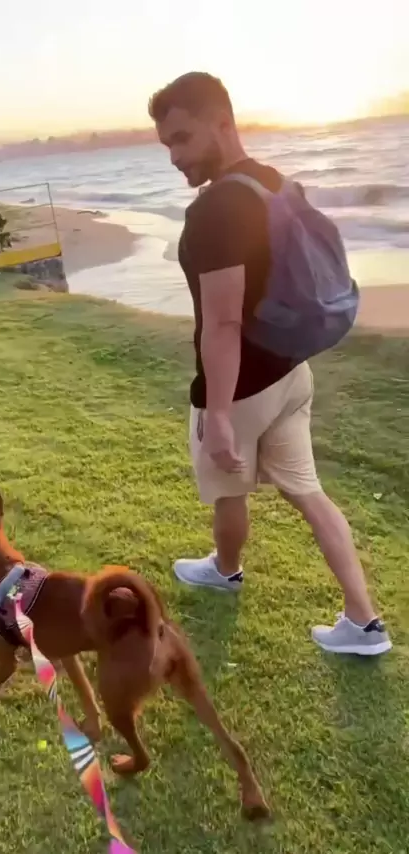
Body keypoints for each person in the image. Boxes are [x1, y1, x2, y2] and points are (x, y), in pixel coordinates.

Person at [148, 71, 391, 656]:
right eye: (167, 145)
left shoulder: (216, 210)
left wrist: (219, 415)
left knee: (228, 490)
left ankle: (225, 569)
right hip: (290, 372)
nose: (175, 157)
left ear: (222, 122)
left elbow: (223, 323)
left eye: (182, 138)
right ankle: (364, 623)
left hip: (240, 388)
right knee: (308, 492)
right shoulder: (274, 182)